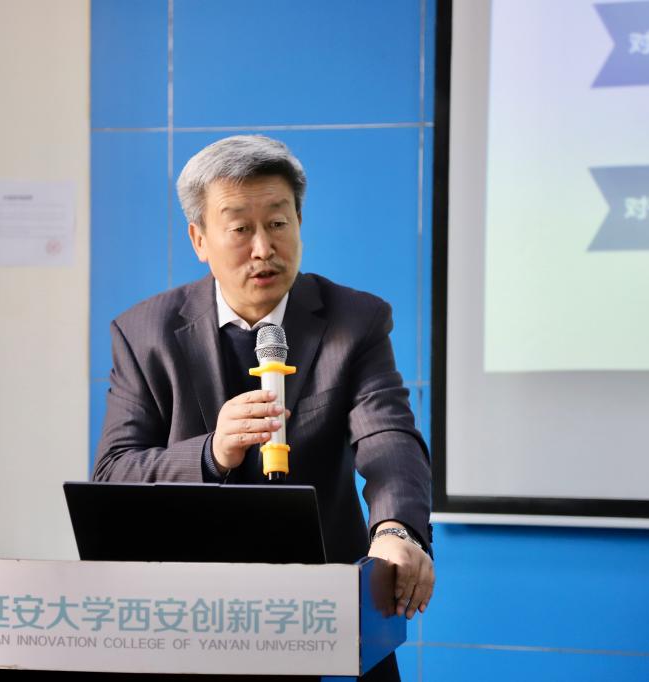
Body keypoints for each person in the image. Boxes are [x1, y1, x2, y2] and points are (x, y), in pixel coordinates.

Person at [92, 135, 433, 680]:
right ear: (199, 239)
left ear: (299, 222)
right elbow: (114, 474)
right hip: (190, 618)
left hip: (325, 612)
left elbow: (387, 436)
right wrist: (212, 453)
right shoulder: (144, 333)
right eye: (240, 229)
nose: (263, 249)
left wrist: (396, 529)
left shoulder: (356, 320)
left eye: (278, 223)